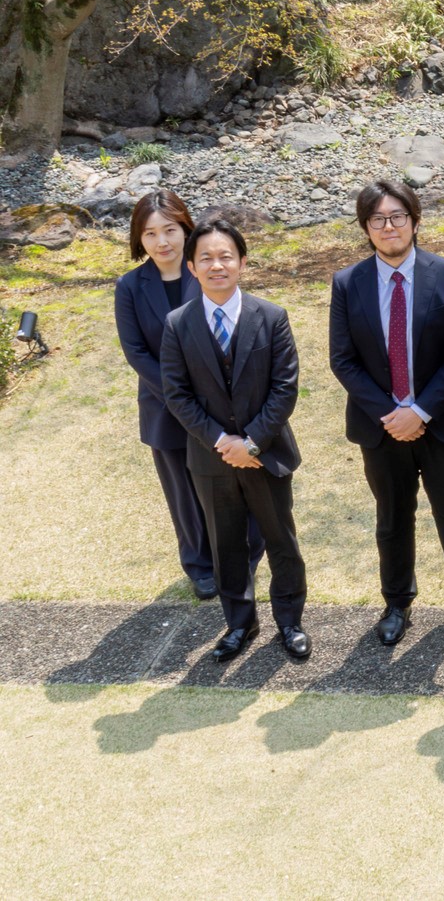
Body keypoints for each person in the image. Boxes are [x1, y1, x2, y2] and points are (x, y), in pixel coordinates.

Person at [328, 179, 444, 648]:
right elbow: (343, 360)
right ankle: (397, 603)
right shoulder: (348, 283)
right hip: (382, 427)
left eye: (398, 216)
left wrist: (419, 411)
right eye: (377, 219)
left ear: (415, 221)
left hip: (442, 422)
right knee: (392, 518)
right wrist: (393, 414)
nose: (389, 226)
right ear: (366, 228)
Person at [158, 218, 309, 662]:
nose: (217, 265)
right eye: (205, 257)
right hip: (212, 459)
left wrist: (252, 442)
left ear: (242, 262)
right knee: (226, 547)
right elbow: (177, 394)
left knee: (281, 541)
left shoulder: (272, 317)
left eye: (226, 256)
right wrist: (223, 442)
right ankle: (240, 624)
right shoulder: (177, 324)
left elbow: (285, 388)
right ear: (191, 267)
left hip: (266, 454)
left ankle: (290, 622)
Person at [113, 190, 262, 600]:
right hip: (164, 408)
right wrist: (180, 396)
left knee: (234, 482)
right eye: (150, 233)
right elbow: (136, 352)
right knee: (183, 491)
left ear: (186, 229)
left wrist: (210, 397)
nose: (162, 242)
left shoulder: (208, 271)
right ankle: (199, 565)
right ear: (138, 239)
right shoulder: (130, 286)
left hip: (221, 405)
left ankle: (245, 555)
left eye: (170, 230)